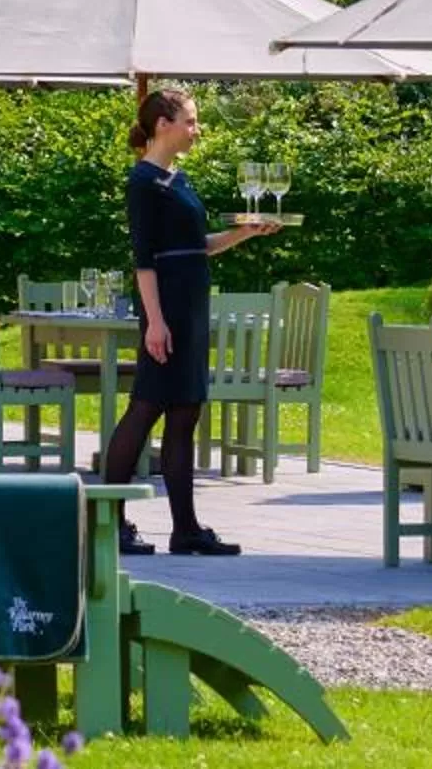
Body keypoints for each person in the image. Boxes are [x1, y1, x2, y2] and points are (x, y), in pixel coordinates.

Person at [107, 86, 277, 557]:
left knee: (186, 411)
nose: (197, 130)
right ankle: (108, 521)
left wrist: (245, 233)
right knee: (146, 407)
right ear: (163, 124)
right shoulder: (143, 182)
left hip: (192, 303)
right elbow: (144, 261)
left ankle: (186, 530)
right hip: (167, 307)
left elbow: (196, 245)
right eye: (191, 121)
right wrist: (154, 323)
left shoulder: (176, 179)